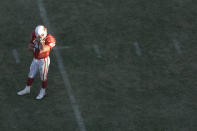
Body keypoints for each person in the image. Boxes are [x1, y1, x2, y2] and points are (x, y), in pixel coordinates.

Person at [17, 25, 56, 99]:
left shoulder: (50, 39)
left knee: (43, 77)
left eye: (38, 35)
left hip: (44, 60)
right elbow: (30, 46)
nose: (36, 36)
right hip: (35, 59)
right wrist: (33, 48)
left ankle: (43, 92)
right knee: (31, 74)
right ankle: (27, 89)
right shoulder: (34, 34)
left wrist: (41, 41)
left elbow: (44, 49)